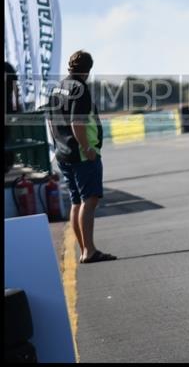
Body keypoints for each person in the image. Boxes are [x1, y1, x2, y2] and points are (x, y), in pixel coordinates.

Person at [46, 50, 116, 264]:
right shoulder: (80, 89)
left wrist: (59, 144)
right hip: (81, 153)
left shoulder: (57, 88)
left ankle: (84, 249)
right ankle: (89, 250)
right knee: (90, 199)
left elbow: (50, 121)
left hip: (63, 152)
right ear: (87, 70)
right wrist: (87, 148)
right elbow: (78, 122)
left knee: (77, 202)